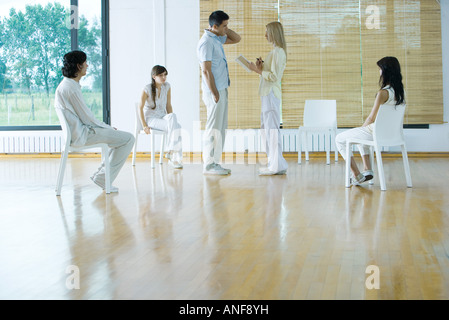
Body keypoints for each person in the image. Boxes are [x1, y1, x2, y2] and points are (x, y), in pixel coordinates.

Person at [54, 50, 135, 193]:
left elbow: (85, 118)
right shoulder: (71, 88)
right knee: (128, 138)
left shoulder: (67, 85)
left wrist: (107, 129)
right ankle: (103, 178)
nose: (87, 65)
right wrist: (108, 128)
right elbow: (88, 118)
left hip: (79, 132)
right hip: (82, 134)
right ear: (79, 66)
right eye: (85, 62)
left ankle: (102, 176)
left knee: (119, 139)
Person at [335, 56, 406, 186]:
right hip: (393, 134)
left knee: (339, 139)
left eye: (380, 69)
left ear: (386, 71)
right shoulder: (401, 92)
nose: (379, 72)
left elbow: (371, 118)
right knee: (361, 136)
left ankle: (356, 175)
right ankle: (367, 169)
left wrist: (360, 128)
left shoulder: (383, 93)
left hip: (375, 133)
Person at [197, 10, 241, 175]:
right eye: (224, 26)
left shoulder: (216, 38)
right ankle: (208, 165)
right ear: (214, 26)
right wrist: (215, 93)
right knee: (213, 128)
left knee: (221, 128)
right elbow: (206, 71)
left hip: (222, 88)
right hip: (214, 91)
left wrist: (225, 29)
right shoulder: (206, 43)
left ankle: (215, 162)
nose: (226, 29)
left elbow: (237, 39)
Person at [248, 21, 288, 175]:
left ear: (274, 33)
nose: (265, 35)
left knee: (271, 130)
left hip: (271, 94)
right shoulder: (275, 52)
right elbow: (270, 72)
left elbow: (274, 76)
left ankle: (276, 165)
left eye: (267, 32)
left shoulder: (279, 52)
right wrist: (260, 67)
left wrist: (256, 71)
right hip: (267, 94)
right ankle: (275, 163)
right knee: (266, 129)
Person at [138, 65, 183, 169]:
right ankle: (173, 156)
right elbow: (140, 108)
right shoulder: (147, 88)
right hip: (151, 119)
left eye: (165, 75)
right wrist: (144, 125)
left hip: (163, 116)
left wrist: (172, 120)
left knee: (174, 119)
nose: (164, 77)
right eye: (161, 75)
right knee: (178, 127)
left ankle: (171, 152)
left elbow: (168, 105)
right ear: (154, 76)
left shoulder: (167, 86)